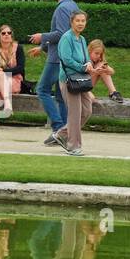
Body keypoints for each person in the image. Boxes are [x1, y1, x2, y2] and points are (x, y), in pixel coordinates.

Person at [28, 0, 78, 148]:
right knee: (61, 97)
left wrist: (42, 36)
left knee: (41, 89)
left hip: (57, 59)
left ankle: (58, 128)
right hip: (64, 58)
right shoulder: (71, 6)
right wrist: (42, 47)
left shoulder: (63, 8)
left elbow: (62, 33)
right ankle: (65, 132)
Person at [57, 10, 93, 157]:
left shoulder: (82, 39)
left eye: (83, 21)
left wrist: (89, 63)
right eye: (77, 21)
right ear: (71, 22)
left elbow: (86, 56)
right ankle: (73, 146)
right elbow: (66, 59)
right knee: (75, 113)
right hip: (69, 80)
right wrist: (83, 67)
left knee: (87, 110)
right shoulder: (67, 38)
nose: (80, 23)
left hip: (81, 79)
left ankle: (61, 134)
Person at [0, 25, 25, 129]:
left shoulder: (18, 48)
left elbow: (20, 68)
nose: (7, 35)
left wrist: (3, 71)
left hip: (15, 81)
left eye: (9, 33)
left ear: (12, 36)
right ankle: (6, 105)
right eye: (4, 33)